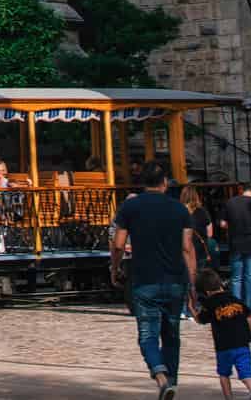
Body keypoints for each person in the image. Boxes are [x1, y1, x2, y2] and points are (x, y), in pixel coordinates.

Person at [111, 159, 199, 400]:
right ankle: (172, 382)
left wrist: (115, 267)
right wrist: (192, 287)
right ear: (164, 183)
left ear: (143, 183)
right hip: (175, 279)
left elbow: (119, 244)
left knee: (148, 334)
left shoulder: (130, 208)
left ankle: (160, 377)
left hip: (144, 279)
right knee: (172, 335)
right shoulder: (180, 209)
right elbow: (187, 248)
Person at [195, 266, 251, 399]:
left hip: (223, 346)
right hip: (242, 343)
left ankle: (229, 397)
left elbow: (200, 320)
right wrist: (248, 335)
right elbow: (248, 318)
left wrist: (191, 307)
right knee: (246, 372)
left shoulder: (210, 303)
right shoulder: (235, 299)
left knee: (224, 374)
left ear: (206, 291)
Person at [221, 185, 251, 319]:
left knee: (236, 278)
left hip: (235, 243)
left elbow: (222, 224)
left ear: (242, 190)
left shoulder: (231, 202)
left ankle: (236, 309)